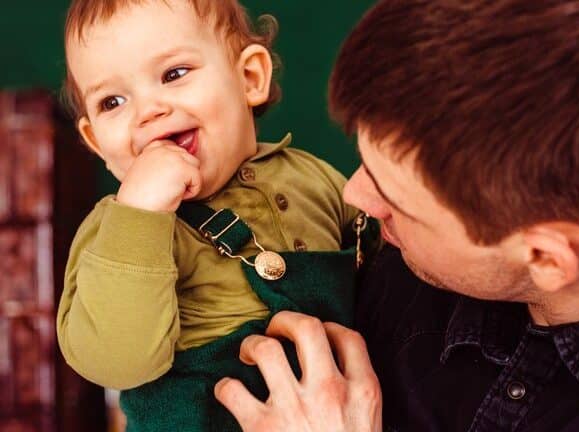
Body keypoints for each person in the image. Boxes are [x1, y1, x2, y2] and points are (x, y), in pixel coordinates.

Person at [213, 0, 579, 431]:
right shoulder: (391, 271)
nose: (354, 196)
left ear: (545, 258)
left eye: (397, 201)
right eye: (366, 162)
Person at [55, 0, 377, 430]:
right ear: (97, 143)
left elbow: (390, 277)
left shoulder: (314, 179)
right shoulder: (114, 232)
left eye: (173, 74)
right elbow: (116, 362)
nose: (148, 111)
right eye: (112, 101)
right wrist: (139, 214)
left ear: (250, 78)